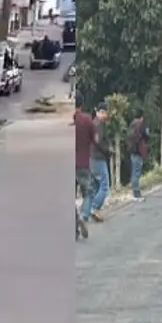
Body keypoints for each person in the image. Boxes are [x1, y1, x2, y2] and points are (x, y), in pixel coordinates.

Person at [73, 93, 94, 237]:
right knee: (88, 193)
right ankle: (83, 215)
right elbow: (95, 139)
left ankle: (73, 228)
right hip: (83, 163)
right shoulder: (87, 120)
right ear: (82, 104)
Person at [89, 102, 112, 220]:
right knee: (104, 186)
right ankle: (94, 207)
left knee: (96, 186)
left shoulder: (94, 123)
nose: (104, 115)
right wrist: (108, 151)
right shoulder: (98, 125)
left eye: (105, 112)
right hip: (98, 158)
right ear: (97, 112)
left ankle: (93, 211)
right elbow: (98, 142)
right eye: (102, 112)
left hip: (91, 158)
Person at [127, 109, 149, 200]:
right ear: (142, 117)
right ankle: (136, 193)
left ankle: (134, 192)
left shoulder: (132, 124)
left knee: (134, 172)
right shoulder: (141, 125)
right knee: (136, 173)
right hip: (139, 151)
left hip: (132, 151)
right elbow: (147, 136)